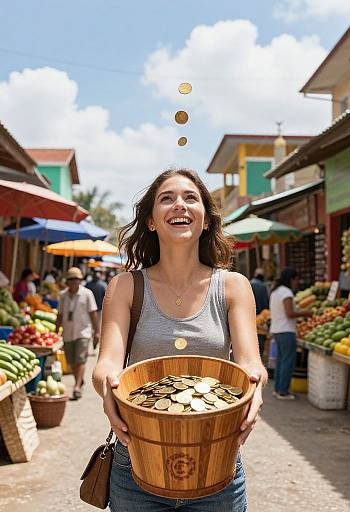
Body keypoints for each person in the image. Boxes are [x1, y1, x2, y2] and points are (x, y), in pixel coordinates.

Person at [92, 169, 266, 511]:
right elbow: (107, 364)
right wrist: (107, 388)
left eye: (191, 198)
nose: (179, 205)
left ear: (205, 220)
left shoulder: (234, 287)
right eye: (166, 198)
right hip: (137, 459)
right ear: (151, 221)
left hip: (217, 460)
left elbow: (250, 363)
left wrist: (255, 387)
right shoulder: (125, 287)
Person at [56, 267, 100, 400]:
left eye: (76, 279)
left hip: (83, 332)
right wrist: (55, 331)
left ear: (80, 280)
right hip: (68, 333)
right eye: (71, 279)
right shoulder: (63, 295)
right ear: (67, 282)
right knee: (71, 361)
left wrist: (96, 332)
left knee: (80, 359)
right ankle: (79, 380)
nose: (73, 282)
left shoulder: (87, 294)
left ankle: (76, 387)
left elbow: (93, 314)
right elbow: (60, 315)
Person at [269, 267, 312, 400]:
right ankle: (283, 391)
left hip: (277, 330)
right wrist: (307, 313)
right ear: (292, 279)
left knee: (281, 361)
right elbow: (290, 313)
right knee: (287, 361)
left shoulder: (276, 292)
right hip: (286, 330)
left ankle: (278, 389)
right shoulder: (286, 293)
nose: (297, 282)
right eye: (297, 279)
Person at [85, 271, 107, 354]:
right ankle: (94, 345)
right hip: (98, 310)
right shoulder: (103, 285)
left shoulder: (88, 284)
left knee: (90, 328)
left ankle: (90, 346)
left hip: (89, 310)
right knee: (96, 329)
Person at [250, 268, 269, 359]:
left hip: (249, 318)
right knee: (259, 345)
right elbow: (266, 304)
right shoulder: (263, 286)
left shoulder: (249, 284)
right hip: (261, 320)